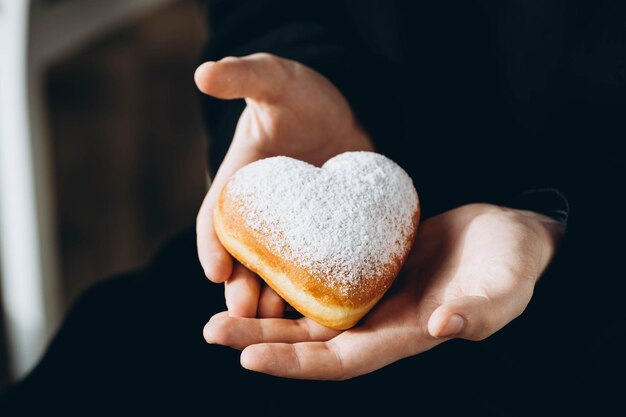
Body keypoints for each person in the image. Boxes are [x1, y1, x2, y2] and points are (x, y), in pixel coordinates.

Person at [1, 1, 624, 415]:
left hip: (589, 301)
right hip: (315, 234)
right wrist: (294, 76)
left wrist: (562, 230)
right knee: (105, 359)